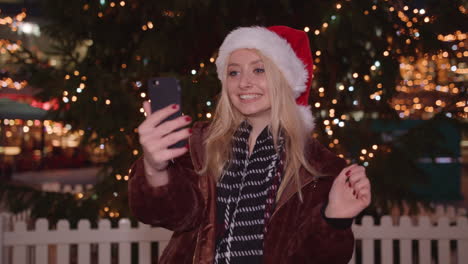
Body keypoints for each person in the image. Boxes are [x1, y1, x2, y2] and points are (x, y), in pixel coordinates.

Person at [129, 26, 371, 264]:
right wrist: (154, 168)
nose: (243, 83)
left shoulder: (319, 167)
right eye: (234, 72)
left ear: (284, 78)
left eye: (258, 70)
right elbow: (176, 216)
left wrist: (334, 219)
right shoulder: (200, 144)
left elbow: (316, 258)